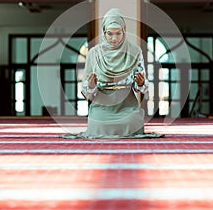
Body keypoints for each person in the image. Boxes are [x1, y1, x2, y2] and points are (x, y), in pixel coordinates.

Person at [62, 8, 163, 139]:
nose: (114, 38)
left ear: (124, 31)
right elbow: (87, 91)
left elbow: (141, 88)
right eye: (109, 33)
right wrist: (92, 86)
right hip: (102, 105)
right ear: (104, 32)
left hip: (127, 104)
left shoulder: (134, 51)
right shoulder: (94, 53)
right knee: (99, 123)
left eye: (118, 33)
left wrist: (141, 83)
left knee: (132, 121)